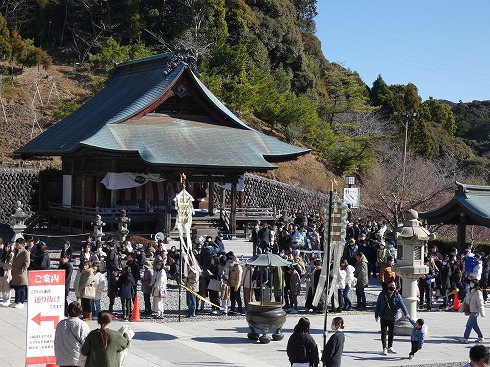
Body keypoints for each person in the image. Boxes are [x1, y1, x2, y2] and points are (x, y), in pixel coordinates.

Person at [374, 280, 410, 355]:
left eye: (393, 286)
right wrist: (376, 314)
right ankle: (384, 348)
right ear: (387, 286)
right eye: (391, 285)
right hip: (383, 316)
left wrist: (406, 313)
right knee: (383, 333)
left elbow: (402, 305)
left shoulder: (397, 295)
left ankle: (390, 347)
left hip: (393, 317)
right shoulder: (382, 294)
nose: (392, 287)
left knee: (391, 333)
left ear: (395, 287)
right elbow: (378, 304)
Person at [54, 301, 90, 367]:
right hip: (77, 359)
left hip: (62, 359)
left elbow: (57, 340)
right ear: (80, 311)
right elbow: (86, 343)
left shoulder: (61, 324)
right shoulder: (82, 324)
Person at [459, 279, 485, 344]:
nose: (471, 284)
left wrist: (482, 313)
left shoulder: (478, 292)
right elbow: (465, 300)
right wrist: (461, 308)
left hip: (475, 311)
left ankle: (465, 338)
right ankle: (480, 336)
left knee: (469, 325)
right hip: (470, 309)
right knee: (474, 325)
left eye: (473, 283)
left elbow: (480, 303)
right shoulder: (469, 290)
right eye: (471, 283)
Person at [10, 238, 30, 308]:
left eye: (18, 244)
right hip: (15, 273)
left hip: (21, 273)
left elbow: (27, 263)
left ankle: (21, 302)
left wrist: (22, 269)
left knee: (21, 288)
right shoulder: (15, 251)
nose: (16, 245)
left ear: (22, 244)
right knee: (16, 288)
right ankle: (16, 301)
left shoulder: (25, 252)